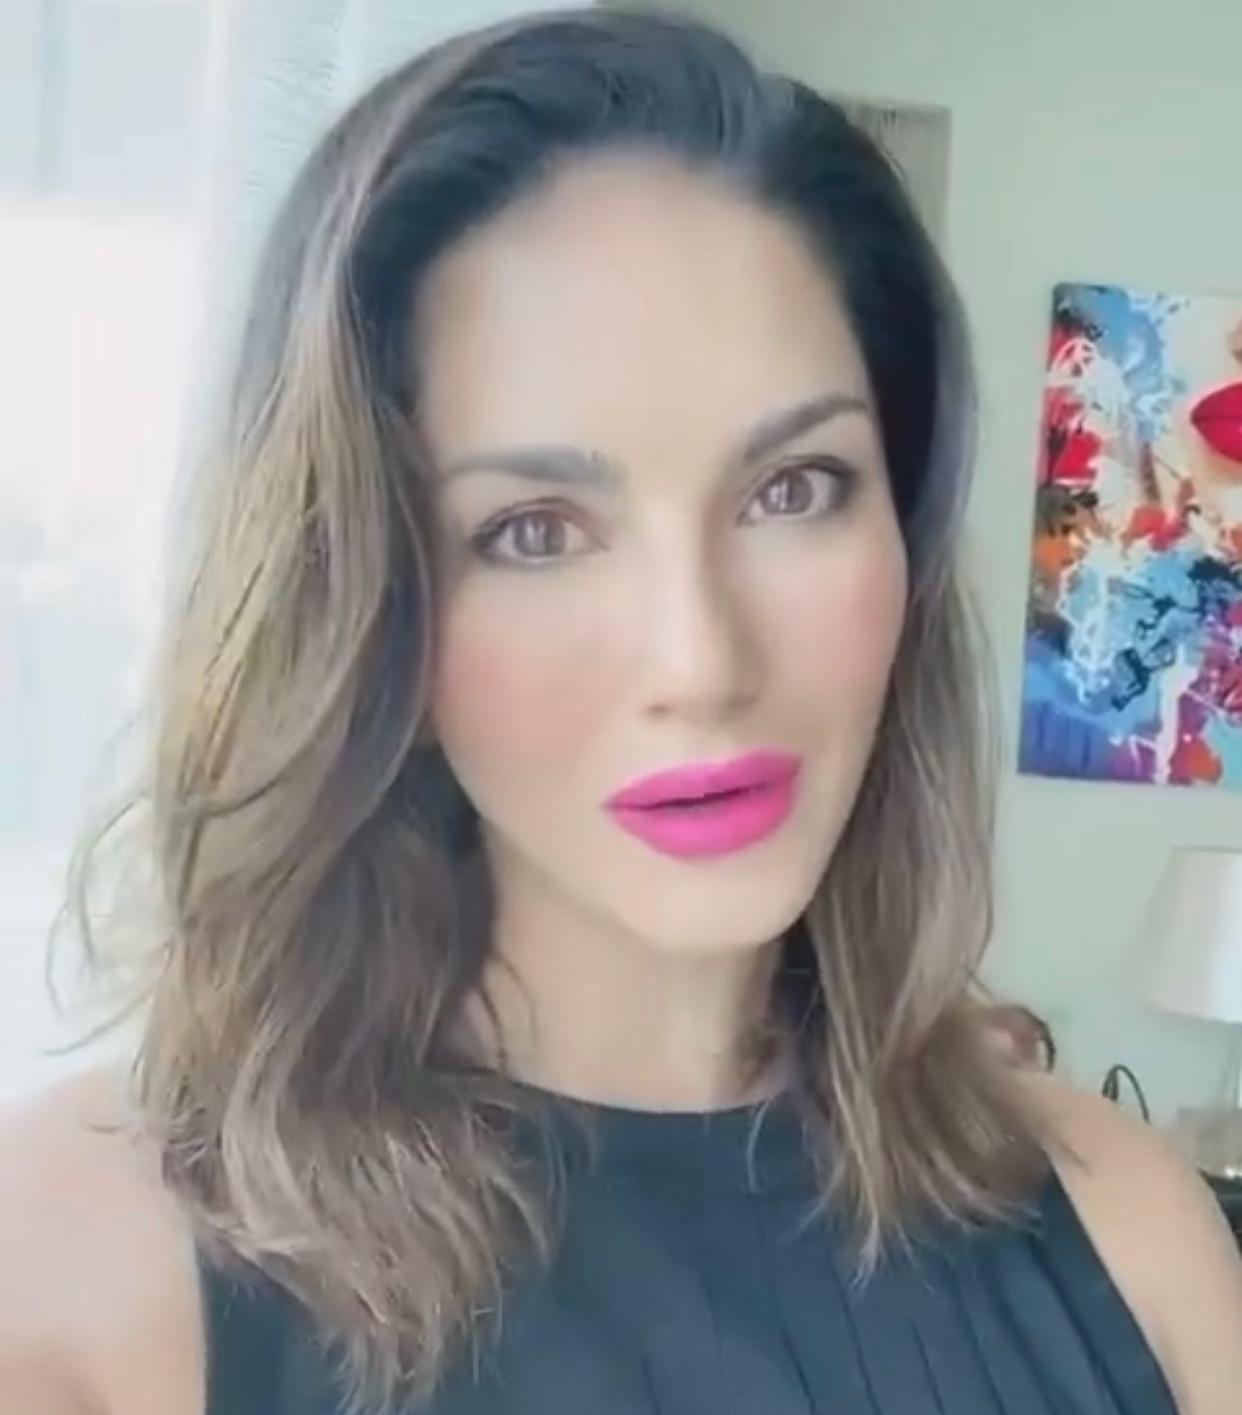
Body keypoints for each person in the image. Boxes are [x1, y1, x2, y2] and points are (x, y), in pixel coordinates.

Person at [2, 9, 1240, 1414]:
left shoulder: (1133, 1236)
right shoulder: (77, 1284)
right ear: (365, 605)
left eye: (794, 489)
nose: (700, 660)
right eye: (533, 530)